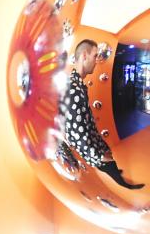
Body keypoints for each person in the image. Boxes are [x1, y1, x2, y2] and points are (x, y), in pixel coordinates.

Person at [58, 38, 144, 189]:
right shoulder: (74, 89)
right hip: (92, 150)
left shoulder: (78, 84)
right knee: (111, 167)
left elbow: (83, 123)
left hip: (94, 142)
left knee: (111, 161)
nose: (97, 61)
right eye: (94, 56)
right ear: (84, 55)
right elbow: (75, 133)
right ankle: (124, 183)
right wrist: (99, 157)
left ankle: (114, 170)